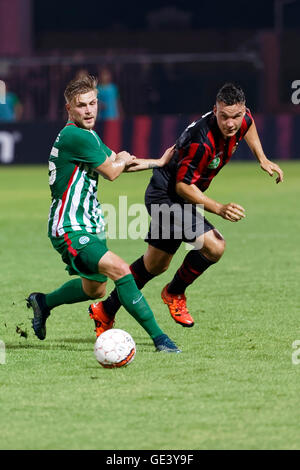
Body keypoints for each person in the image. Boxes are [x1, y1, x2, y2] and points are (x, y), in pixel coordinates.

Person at [89, 82, 284, 330]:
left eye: (236, 116)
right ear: (215, 111)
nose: (231, 124)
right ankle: (174, 292)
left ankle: (105, 309)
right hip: (167, 196)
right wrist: (219, 208)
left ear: (243, 110)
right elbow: (182, 187)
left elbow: (249, 125)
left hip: (179, 196)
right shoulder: (201, 142)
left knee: (155, 264)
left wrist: (262, 158)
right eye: (224, 117)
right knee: (215, 246)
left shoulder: (241, 119)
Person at [26, 74, 180, 353]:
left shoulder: (88, 136)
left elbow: (120, 163)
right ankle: (161, 340)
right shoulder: (74, 135)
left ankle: (43, 302)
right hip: (70, 228)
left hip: (90, 225)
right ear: (69, 110)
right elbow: (112, 171)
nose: (89, 110)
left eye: (93, 103)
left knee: (94, 290)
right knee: (122, 270)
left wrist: (158, 162)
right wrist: (120, 159)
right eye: (81, 105)